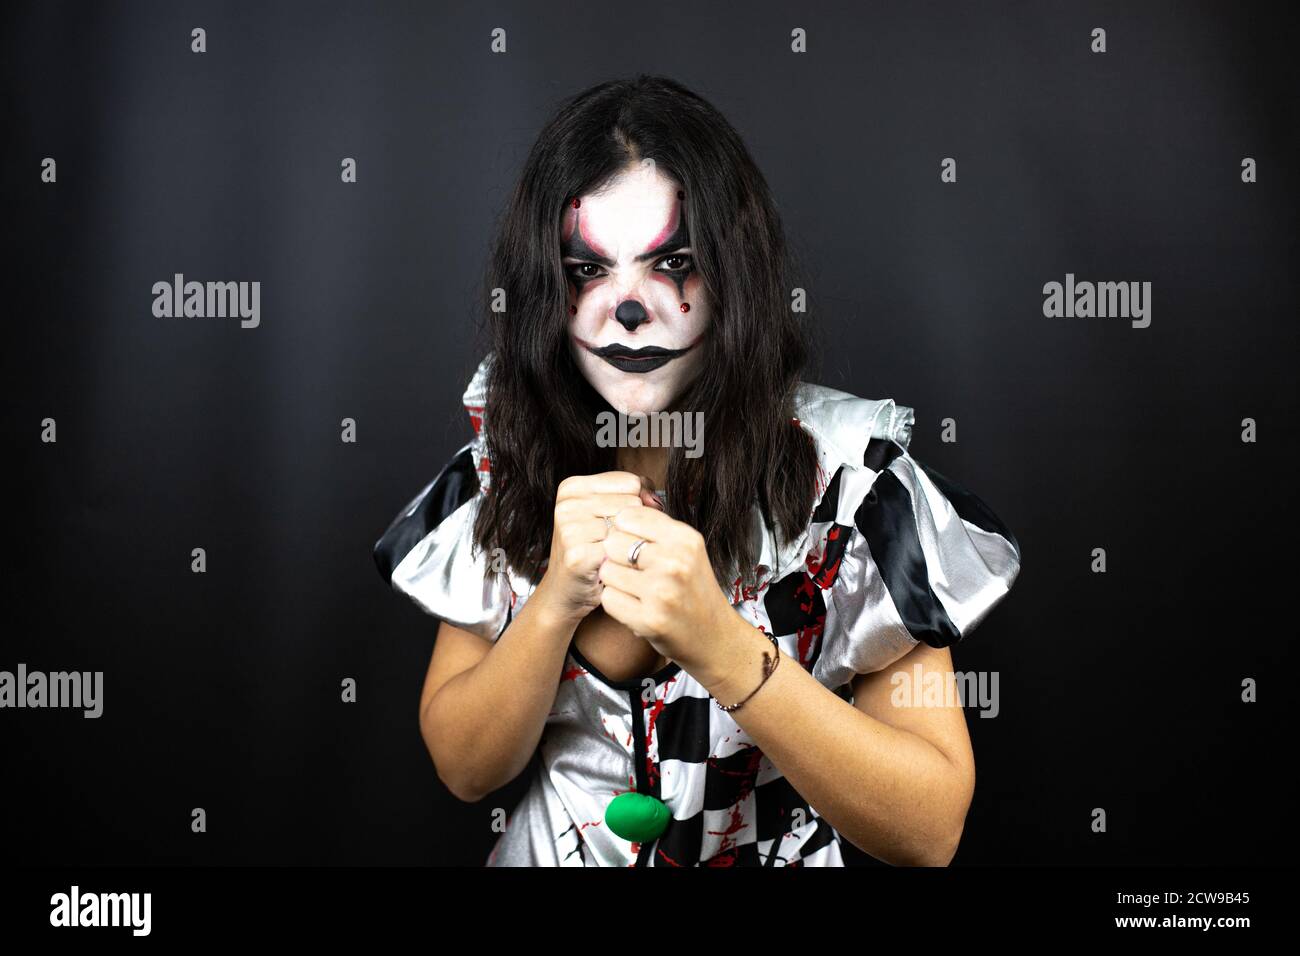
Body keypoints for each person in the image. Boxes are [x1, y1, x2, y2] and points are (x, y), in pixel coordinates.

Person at [373, 75, 1022, 866]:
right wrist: (548, 611)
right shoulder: (509, 460)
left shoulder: (853, 480)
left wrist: (721, 644)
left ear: (731, 275)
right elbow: (466, 770)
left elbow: (929, 830)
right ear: (547, 287)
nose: (631, 307)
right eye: (587, 270)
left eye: (673, 262)